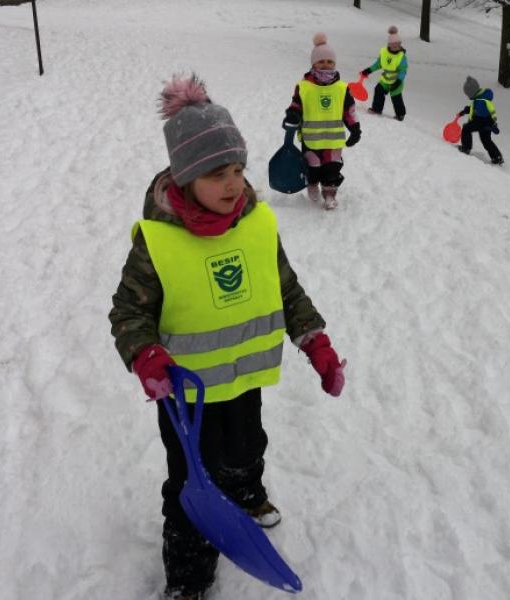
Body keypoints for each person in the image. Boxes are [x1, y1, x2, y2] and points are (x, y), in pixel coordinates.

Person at [109, 74, 347, 600]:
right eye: (217, 174)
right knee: (190, 485)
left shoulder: (257, 225)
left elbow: (286, 290)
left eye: (238, 169)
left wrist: (317, 344)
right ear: (186, 177)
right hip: (186, 396)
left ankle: (246, 493)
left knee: (245, 447)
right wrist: (146, 356)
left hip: (242, 379)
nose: (233, 184)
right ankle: (189, 578)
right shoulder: (158, 241)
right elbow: (128, 311)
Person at [284, 32, 361, 210]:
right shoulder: (304, 86)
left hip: (333, 140)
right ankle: (312, 183)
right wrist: (293, 114)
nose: (326, 65)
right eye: (321, 61)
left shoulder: (342, 88)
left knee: (332, 167)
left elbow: (349, 111)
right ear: (313, 63)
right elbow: (296, 104)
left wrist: (355, 128)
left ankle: (329, 193)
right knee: (313, 166)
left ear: (334, 63)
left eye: (329, 61)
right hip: (311, 139)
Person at [361, 26, 408, 120]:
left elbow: (403, 70)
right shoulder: (384, 52)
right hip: (385, 79)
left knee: (396, 96)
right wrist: (369, 70)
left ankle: (400, 114)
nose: (396, 47)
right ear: (389, 44)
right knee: (378, 90)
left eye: (398, 44)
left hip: (396, 80)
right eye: (394, 45)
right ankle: (377, 109)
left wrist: (398, 81)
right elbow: (378, 64)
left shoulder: (401, 57)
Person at [457, 75, 504, 165]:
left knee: (466, 128)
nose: (468, 96)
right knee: (486, 141)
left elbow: (484, 113)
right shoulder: (480, 97)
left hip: (481, 122)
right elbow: (475, 109)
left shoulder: (480, 100)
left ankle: (466, 148)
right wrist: (465, 111)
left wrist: (491, 125)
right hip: (484, 124)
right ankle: (497, 157)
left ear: (472, 91)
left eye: (468, 94)